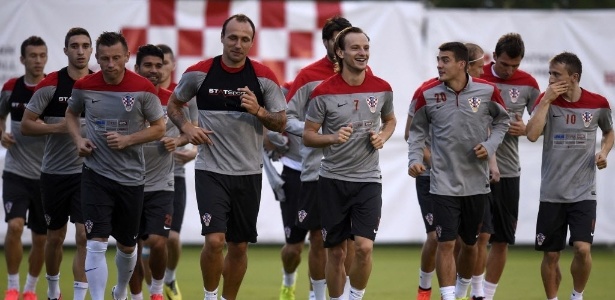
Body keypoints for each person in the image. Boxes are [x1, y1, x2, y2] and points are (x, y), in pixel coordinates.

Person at [166, 14, 287, 300]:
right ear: (221, 38)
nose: (238, 44)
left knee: (239, 246)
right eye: (232, 37)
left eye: (245, 39)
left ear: (252, 42)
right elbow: (174, 104)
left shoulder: (264, 77)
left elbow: (281, 123)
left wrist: (258, 111)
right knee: (214, 241)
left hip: (248, 173)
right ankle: (210, 296)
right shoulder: (198, 73)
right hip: (211, 170)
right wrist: (187, 127)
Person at [65, 31, 165, 300]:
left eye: (116, 58)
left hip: (131, 179)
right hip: (95, 174)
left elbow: (159, 127)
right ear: (97, 58)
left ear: (127, 57)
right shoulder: (84, 86)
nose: (110, 64)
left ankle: (120, 291)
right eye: (105, 59)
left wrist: (129, 139)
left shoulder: (143, 88)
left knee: (127, 246)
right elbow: (71, 113)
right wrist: (78, 139)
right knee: (94, 241)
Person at [407, 42, 509, 300]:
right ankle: (447, 295)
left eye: (445, 60)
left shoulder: (487, 91)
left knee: (471, 245)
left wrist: (490, 145)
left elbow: (503, 121)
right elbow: (416, 131)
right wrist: (414, 159)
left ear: (462, 64)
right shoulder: (427, 93)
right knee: (445, 242)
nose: (439, 64)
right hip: (441, 183)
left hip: (476, 183)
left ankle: (462, 290)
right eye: (438, 59)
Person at [303, 26, 396, 300]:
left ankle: (354, 297)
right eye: (355, 48)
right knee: (336, 251)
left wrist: (382, 136)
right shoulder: (322, 92)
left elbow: (390, 120)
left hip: (368, 180)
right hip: (332, 180)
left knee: (364, 247)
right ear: (340, 52)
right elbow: (308, 136)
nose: (362, 53)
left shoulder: (382, 88)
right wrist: (332, 137)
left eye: (365, 48)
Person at [526, 52, 613, 300]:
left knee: (583, 249)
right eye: (550, 73)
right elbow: (532, 134)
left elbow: (609, 132)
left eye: (556, 74)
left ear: (574, 77)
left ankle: (577, 295)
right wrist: (545, 102)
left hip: (584, 191)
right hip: (552, 193)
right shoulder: (546, 100)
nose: (551, 79)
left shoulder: (597, 103)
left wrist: (604, 152)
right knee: (551, 255)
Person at [282, 15, 353, 300]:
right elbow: (285, 119)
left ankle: (345, 295)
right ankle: (315, 295)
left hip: (351, 169)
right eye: (336, 40)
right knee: (316, 238)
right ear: (326, 42)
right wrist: (317, 132)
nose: (342, 46)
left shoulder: (362, 74)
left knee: (348, 242)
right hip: (309, 169)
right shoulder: (308, 76)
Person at [20, 27, 93, 300]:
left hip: (88, 173)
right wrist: (60, 127)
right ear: (65, 51)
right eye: (74, 46)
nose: (80, 51)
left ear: (91, 50)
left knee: (85, 236)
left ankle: (79, 295)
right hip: (54, 173)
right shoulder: (50, 84)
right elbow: (27, 125)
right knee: (54, 237)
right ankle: (52, 291)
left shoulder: (99, 84)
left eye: (85, 46)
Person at [474, 33, 540, 300]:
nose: (510, 70)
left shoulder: (528, 84)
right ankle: (471, 291)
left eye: (515, 65)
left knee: (501, 240)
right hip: (475, 170)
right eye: (504, 64)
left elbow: (542, 123)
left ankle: (486, 296)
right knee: (476, 238)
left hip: (509, 171)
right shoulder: (479, 80)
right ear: (494, 56)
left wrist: (526, 129)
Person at [1, 35, 48, 300]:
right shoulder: (10, 88)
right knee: (16, 226)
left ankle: (30, 289)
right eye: (33, 56)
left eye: (42, 55)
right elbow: (0, 116)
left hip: (46, 176)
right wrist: (1, 134)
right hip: (16, 172)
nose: (38, 60)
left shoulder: (53, 89)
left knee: (41, 238)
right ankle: (12, 286)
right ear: (22, 59)